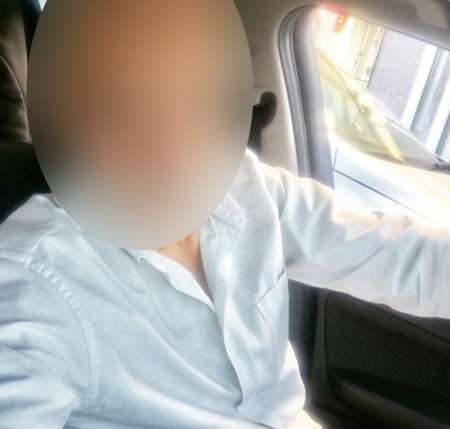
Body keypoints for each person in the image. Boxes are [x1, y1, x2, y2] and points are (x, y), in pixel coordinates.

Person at [1, 1, 449, 428]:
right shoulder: (33, 282)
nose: (169, 145)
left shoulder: (247, 185)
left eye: (192, 93)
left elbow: (399, 256)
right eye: (124, 105)